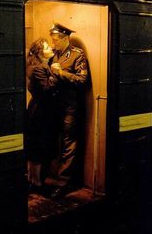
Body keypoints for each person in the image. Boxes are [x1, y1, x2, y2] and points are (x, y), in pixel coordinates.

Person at [49, 23, 88, 198]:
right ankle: (48, 178)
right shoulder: (52, 53)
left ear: (65, 38)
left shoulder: (77, 55)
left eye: (56, 39)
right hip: (54, 106)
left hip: (70, 107)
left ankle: (62, 183)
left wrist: (60, 73)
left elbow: (82, 80)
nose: (53, 42)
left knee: (68, 144)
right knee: (53, 142)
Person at [25, 37, 59, 193]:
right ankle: (37, 183)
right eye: (46, 46)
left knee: (35, 147)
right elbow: (46, 88)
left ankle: (33, 180)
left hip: (37, 109)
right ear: (39, 52)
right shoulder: (39, 68)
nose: (51, 47)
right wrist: (56, 73)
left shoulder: (37, 65)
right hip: (41, 111)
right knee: (40, 147)